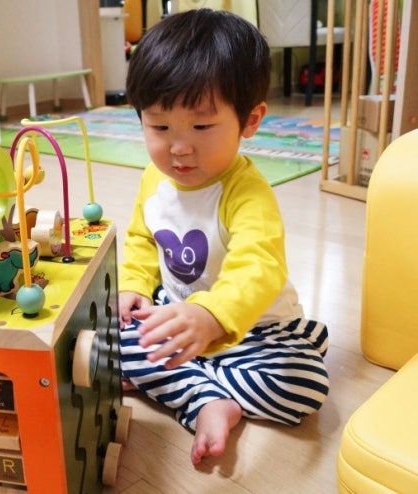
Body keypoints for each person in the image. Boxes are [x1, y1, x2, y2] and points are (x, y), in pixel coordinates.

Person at [118, 8, 330, 466]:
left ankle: (194, 389)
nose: (179, 147)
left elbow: (259, 266)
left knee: (305, 385)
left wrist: (212, 317)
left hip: (254, 328)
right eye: (159, 126)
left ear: (250, 120)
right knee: (110, 341)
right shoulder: (154, 180)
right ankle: (208, 398)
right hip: (179, 314)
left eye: (201, 126)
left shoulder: (247, 193)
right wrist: (133, 285)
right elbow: (141, 239)